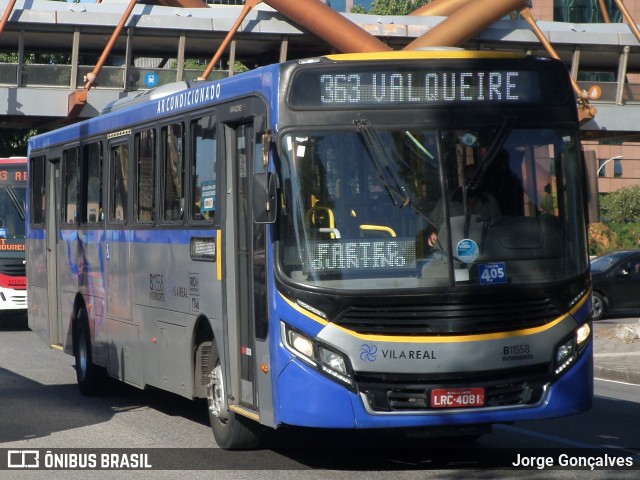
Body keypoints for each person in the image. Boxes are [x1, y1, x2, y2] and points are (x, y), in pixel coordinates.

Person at [425, 162, 501, 249]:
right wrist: (432, 234)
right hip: (453, 256)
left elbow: (499, 229)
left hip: (487, 253)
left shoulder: (490, 201)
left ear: (481, 180)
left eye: (475, 180)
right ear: (463, 179)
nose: (472, 183)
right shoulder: (447, 201)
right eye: (468, 180)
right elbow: (433, 224)